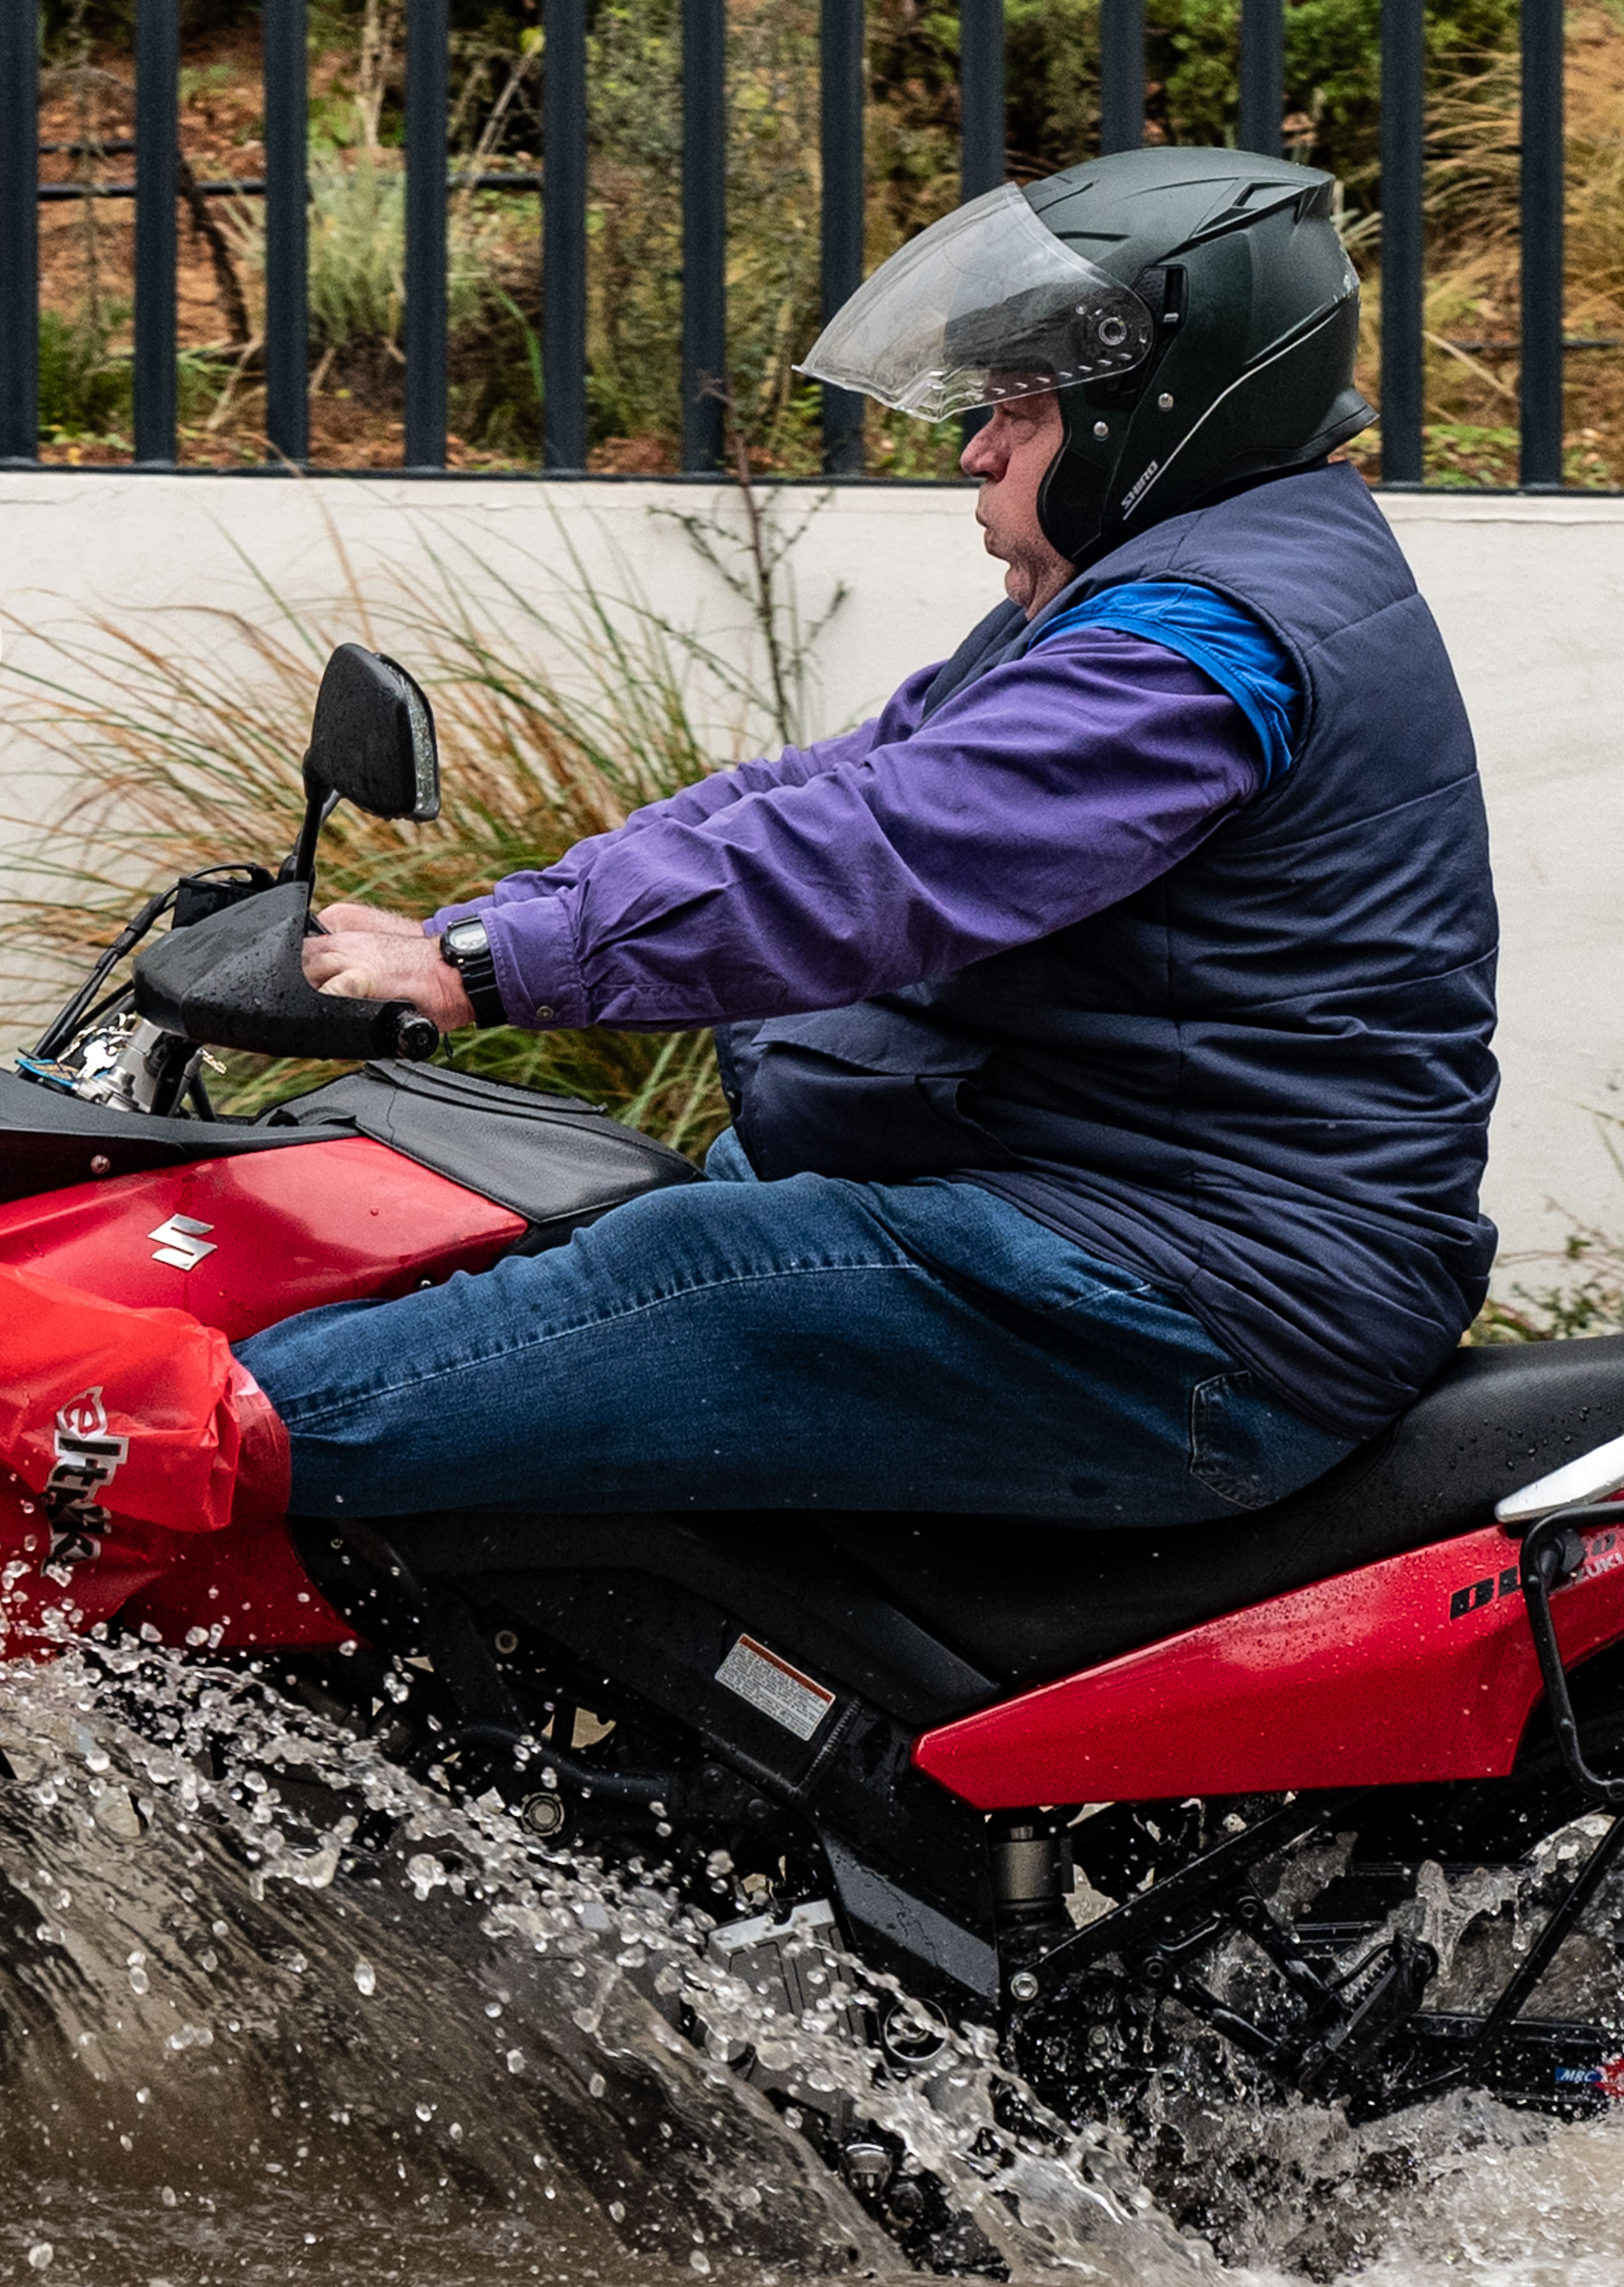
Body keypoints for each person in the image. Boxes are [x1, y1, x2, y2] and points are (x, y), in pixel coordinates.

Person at [243, 147, 1502, 1530]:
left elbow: (885, 857)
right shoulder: (1176, 588)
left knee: (670, 1277)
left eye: (1019, 409)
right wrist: (485, 925)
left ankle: (139, 1455)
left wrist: (494, 963)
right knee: (526, 1214)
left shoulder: (1193, 653)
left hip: (1196, 1304)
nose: (977, 448)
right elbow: (828, 790)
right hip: (1112, 1221)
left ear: (1160, 412)